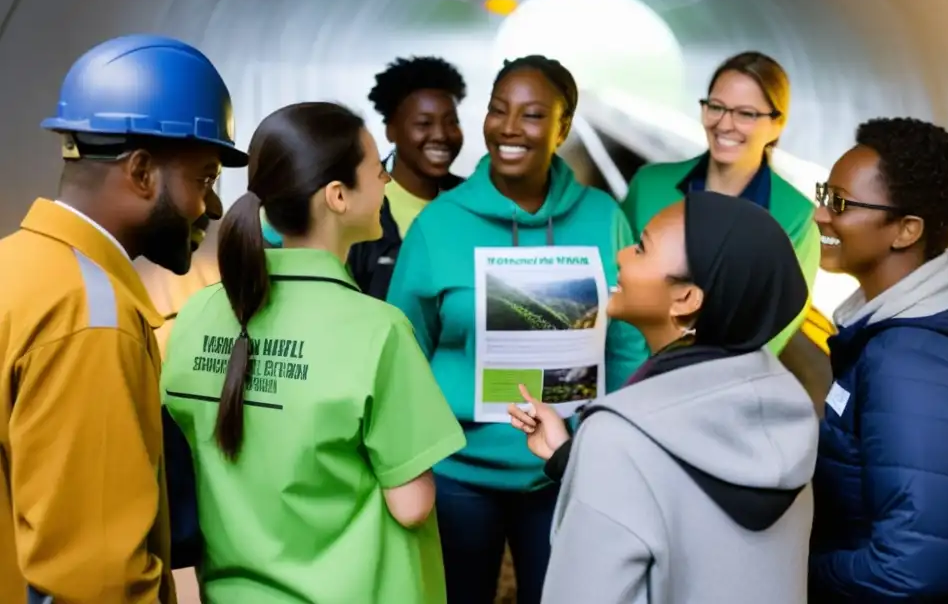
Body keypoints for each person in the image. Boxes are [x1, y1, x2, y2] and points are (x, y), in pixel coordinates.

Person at [162, 101, 466, 604]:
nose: (388, 181)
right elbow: (412, 503)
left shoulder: (197, 314)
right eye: (378, 170)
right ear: (338, 196)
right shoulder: (378, 331)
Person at [387, 55, 650, 604]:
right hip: (458, 469)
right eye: (497, 110)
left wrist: (601, 443)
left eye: (532, 115)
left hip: (565, 465)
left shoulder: (602, 217)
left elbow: (625, 342)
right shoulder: (439, 224)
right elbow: (403, 349)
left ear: (563, 128)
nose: (508, 128)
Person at [0, 34, 248, 604]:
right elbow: (99, 577)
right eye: (205, 178)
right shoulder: (91, 317)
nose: (212, 207)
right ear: (141, 172)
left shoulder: (19, 265)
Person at [509, 191, 819, 603]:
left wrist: (600, 450)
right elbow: (687, 509)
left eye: (641, 248)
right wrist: (575, 457)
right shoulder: (784, 410)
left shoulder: (620, 437)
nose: (621, 254)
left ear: (686, 299)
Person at [809, 117, 948, 602]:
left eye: (839, 203)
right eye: (825, 194)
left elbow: (913, 567)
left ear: (906, 230)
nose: (821, 214)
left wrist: (798, 569)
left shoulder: (912, 366)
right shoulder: (891, 336)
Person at [621, 51, 819, 355]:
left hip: (722, 386)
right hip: (635, 372)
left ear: (777, 125)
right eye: (716, 107)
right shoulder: (648, 186)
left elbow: (775, 327)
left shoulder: (797, 216)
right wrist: (637, 376)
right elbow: (622, 288)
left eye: (746, 114)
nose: (725, 124)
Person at [348, 56, 467, 299]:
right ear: (391, 130)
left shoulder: (473, 201)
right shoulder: (357, 203)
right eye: (424, 123)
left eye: (451, 122)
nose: (441, 135)